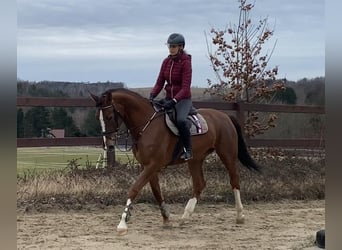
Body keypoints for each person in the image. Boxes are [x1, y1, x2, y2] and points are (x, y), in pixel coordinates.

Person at [149, 33, 193, 161]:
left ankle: (188, 150)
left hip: (183, 99)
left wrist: (174, 101)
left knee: (180, 121)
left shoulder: (186, 63)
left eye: (174, 46)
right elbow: (159, 82)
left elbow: (185, 88)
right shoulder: (166, 62)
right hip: (168, 98)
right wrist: (152, 95)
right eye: (170, 46)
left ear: (181, 47)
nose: (171, 49)